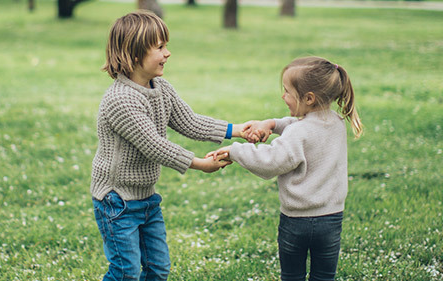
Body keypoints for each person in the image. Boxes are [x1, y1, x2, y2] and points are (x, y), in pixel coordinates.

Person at [91, 10, 250, 281]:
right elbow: (154, 145)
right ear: (135, 53)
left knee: (158, 268)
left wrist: (236, 130)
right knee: (126, 272)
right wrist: (200, 164)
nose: (168, 53)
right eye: (160, 47)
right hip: (116, 200)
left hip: (146, 197)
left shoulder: (161, 88)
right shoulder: (121, 100)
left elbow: (189, 121)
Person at [208, 56, 363, 281]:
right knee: (324, 276)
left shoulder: (299, 133)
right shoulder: (336, 122)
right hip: (331, 219)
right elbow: (304, 125)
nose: (283, 96)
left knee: (292, 276)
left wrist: (235, 151)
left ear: (309, 98)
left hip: (297, 222)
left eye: (287, 92)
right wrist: (271, 124)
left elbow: (271, 161)